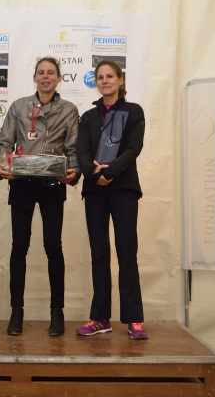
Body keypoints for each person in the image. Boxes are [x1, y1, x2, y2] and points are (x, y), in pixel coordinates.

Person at [0, 56, 81, 336]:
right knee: (19, 246)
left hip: (52, 184)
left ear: (59, 79)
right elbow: (5, 143)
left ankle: (57, 312)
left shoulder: (69, 110)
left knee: (53, 246)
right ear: (34, 77)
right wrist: (2, 165)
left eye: (51, 73)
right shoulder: (19, 106)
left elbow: (73, 149)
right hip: (22, 183)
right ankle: (16, 311)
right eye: (41, 72)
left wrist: (74, 172)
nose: (45, 77)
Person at [75, 60, 148, 340]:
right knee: (99, 254)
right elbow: (82, 150)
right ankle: (100, 318)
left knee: (127, 253)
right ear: (96, 82)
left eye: (110, 76)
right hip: (95, 190)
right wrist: (95, 174)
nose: (105, 81)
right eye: (100, 77)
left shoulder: (133, 111)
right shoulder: (88, 117)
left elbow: (134, 147)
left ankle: (134, 319)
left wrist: (110, 172)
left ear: (120, 80)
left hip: (124, 188)